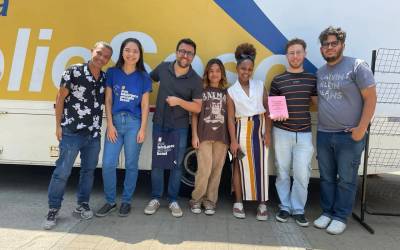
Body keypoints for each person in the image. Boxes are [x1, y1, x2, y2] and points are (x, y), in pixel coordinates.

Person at [313, 26, 377, 235]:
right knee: (327, 177)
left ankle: (340, 216)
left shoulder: (357, 66)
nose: (329, 47)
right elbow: (317, 100)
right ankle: (327, 213)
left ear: (342, 45)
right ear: (321, 48)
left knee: (346, 179)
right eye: (325, 44)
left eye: (333, 43)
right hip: (324, 133)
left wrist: (361, 129)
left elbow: (371, 98)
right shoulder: (320, 72)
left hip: (349, 136)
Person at [43, 42, 113, 230]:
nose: (101, 58)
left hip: (93, 134)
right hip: (71, 132)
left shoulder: (105, 78)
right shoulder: (74, 71)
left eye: (106, 56)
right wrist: (58, 126)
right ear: (92, 52)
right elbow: (60, 98)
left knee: (88, 172)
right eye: (99, 53)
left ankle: (82, 204)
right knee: (62, 172)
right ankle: (53, 209)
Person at [144, 38, 203, 217]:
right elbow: (147, 81)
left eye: (189, 53)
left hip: (179, 127)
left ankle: (173, 200)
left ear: (193, 56)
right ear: (176, 52)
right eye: (182, 51)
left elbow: (197, 107)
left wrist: (178, 102)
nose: (185, 55)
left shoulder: (195, 80)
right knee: (158, 164)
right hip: (160, 124)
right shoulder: (163, 68)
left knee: (176, 166)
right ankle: (155, 198)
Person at [95, 38, 152, 217]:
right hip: (115, 123)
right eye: (128, 50)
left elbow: (144, 106)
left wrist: (143, 129)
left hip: (134, 124)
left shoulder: (144, 76)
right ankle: (110, 201)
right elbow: (109, 100)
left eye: (135, 51)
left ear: (140, 54)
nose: (131, 54)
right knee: (108, 164)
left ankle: (126, 201)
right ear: (122, 52)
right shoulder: (112, 73)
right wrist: (110, 124)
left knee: (131, 164)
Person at [270, 38, 317, 227]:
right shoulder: (278, 80)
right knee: (281, 171)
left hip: (304, 134)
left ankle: (298, 209)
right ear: (287, 56)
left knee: (302, 174)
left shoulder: (312, 79)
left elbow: (317, 104)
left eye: (298, 52)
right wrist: (276, 114)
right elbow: (273, 106)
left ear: (304, 54)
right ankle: (284, 206)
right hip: (281, 132)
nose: (295, 56)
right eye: (291, 53)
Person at [227, 43, 271, 221]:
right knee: (238, 165)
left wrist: (267, 133)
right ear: (237, 68)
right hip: (241, 130)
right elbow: (230, 118)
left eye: (250, 69)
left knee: (261, 165)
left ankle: (262, 203)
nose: (246, 72)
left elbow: (268, 111)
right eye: (243, 68)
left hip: (259, 129)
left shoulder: (260, 85)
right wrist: (233, 141)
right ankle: (238, 202)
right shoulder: (230, 91)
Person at [190, 58, 229, 215]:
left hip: (222, 137)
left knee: (216, 170)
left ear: (222, 74)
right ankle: (196, 199)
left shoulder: (227, 93)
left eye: (218, 71)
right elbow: (194, 115)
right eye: (211, 71)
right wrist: (194, 135)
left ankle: (210, 201)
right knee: (204, 170)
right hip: (204, 135)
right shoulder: (201, 91)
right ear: (207, 73)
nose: (214, 74)